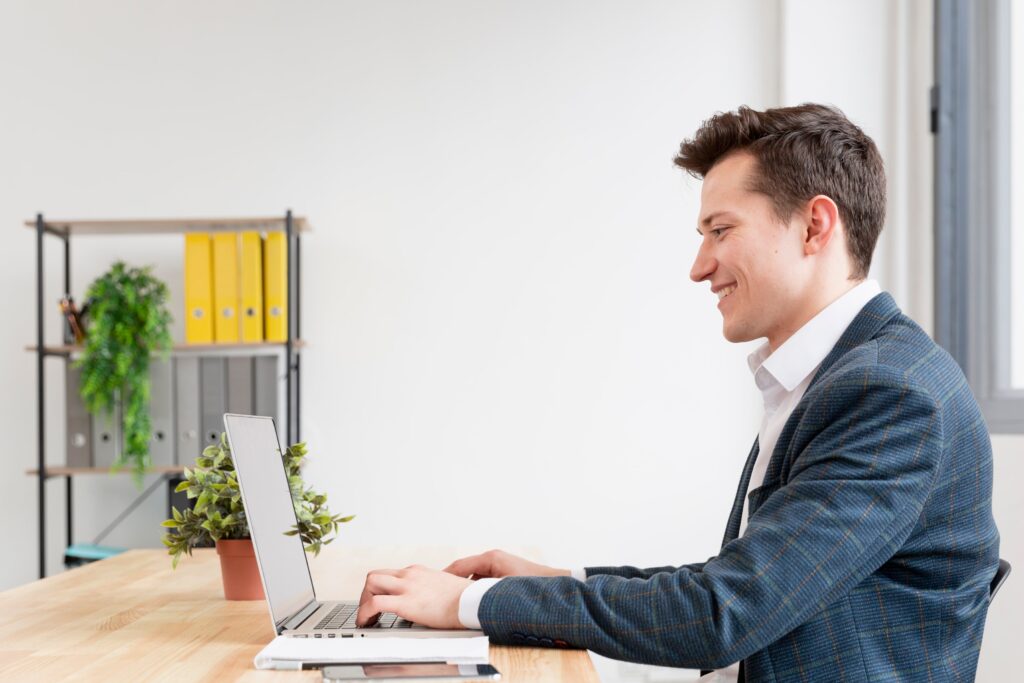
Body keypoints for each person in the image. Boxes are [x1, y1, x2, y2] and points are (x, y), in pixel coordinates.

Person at [355, 104, 1000, 681]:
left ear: (814, 227)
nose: (699, 266)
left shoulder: (890, 392)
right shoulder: (839, 373)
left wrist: (467, 603)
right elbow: (738, 584)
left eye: (720, 231)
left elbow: (724, 613)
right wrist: (554, 582)